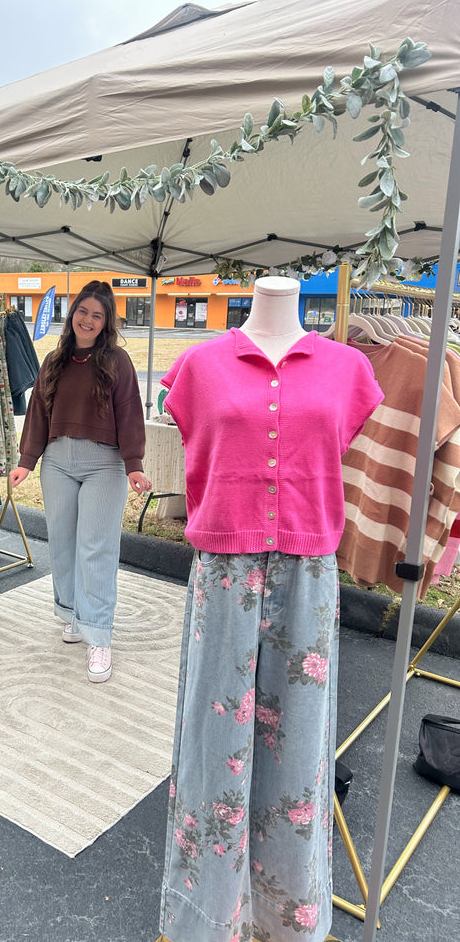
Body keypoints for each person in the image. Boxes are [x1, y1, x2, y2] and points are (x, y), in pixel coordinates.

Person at [157, 276, 384, 942]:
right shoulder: (199, 366)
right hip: (222, 577)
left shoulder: (350, 370)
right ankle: (208, 917)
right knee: (212, 748)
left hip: (308, 575)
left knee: (298, 754)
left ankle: (287, 920)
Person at [9, 280, 151, 683]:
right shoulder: (54, 359)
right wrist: (27, 460)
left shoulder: (117, 361)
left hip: (103, 464)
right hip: (57, 462)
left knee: (97, 547)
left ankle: (99, 634)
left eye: (97, 315)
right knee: (64, 543)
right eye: (82, 311)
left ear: (106, 323)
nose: (87, 320)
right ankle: (73, 613)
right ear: (72, 315)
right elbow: (38, 409)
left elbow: (129, 412)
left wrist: (133, 463)